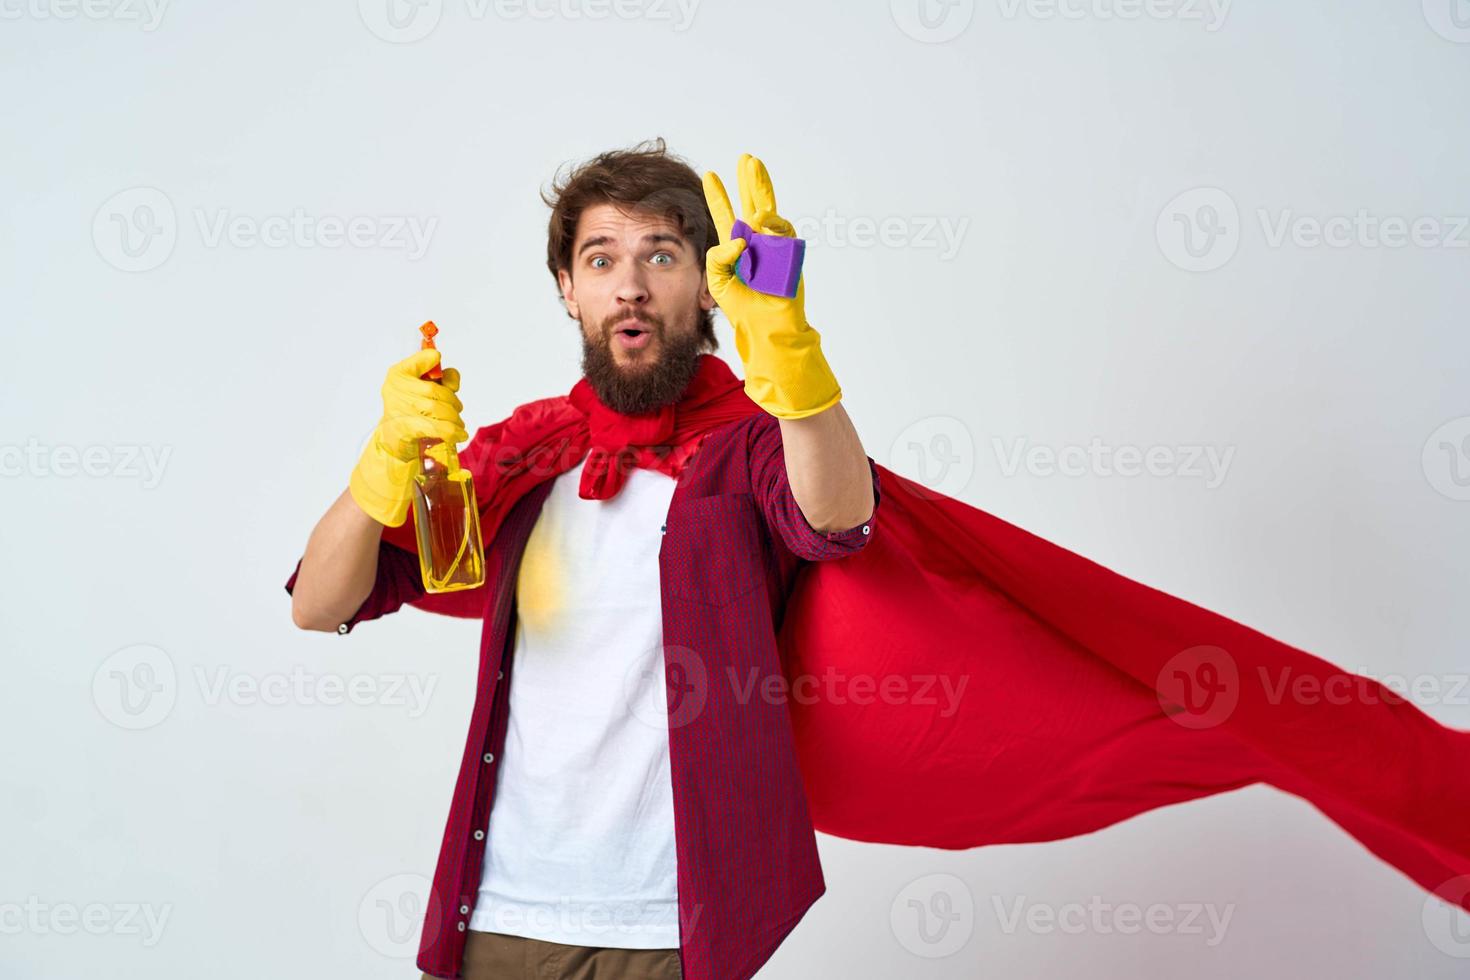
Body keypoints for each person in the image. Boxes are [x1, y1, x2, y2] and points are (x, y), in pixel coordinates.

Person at [286, 139, 877, 980]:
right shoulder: (529, 452)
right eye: (601, 259)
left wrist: (794, 366)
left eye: (661, 255)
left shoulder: (752, 444)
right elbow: (318, 603)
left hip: (677, 923)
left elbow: (838, 516)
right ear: (569, 289)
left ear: (709, 281)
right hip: (497, 910)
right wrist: (378, 469)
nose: (629, 284)